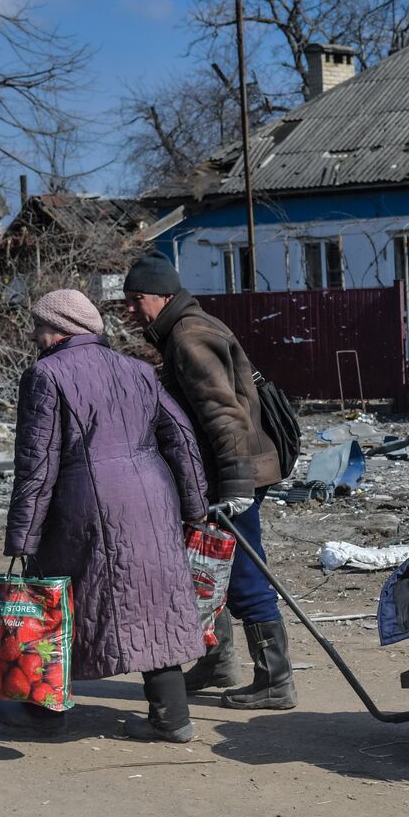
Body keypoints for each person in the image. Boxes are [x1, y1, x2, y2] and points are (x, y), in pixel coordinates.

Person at [0, 289, 209, 742]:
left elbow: (37, 464)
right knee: (155, 600)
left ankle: (45, 712)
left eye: (39, 325)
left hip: (83, 503)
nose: (35, 335)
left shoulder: (45, 375)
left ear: (59, 328)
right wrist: (194, 506)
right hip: (152, 500)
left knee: (59, 602)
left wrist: (22, 540)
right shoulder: (138, 371)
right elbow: (181, 438)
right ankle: (172, 717)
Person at [122, 251, 295, 710]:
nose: (132, 309)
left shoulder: (189, 336)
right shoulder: (187, 328)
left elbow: (224, 413)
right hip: (225, 473)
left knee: (240, 574)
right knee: (204, 572)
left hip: (234, 476)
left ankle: (276, 681)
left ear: (163, 295)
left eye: (138, 299)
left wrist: (237, 486)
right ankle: (215, 662)